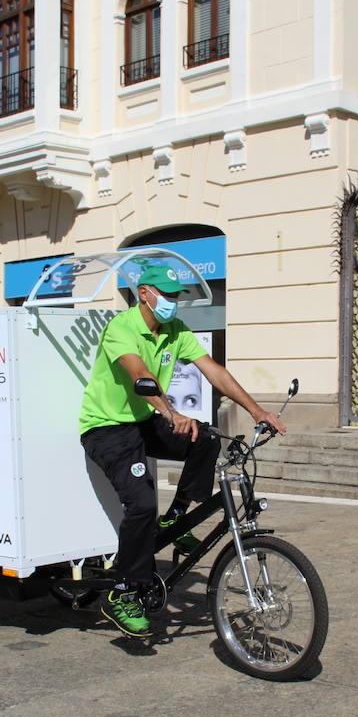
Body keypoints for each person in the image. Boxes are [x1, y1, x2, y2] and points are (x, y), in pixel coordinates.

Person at [79, 263, 286, 637]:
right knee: (141, 504)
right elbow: (139, 373)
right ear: (144, 293)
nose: (173, 302)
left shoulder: (175, 330)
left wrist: (257, 410)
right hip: (108, 428)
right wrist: (170, 411)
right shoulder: (121, 328)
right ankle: (122, 593)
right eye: (166, 295)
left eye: (176, 296)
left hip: (144, 421)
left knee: (205, 438)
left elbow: (215, 371)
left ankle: (176, 517)